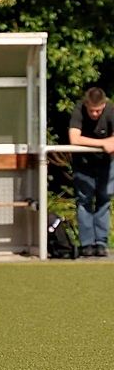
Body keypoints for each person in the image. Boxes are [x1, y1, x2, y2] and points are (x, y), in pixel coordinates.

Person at [68, 87, 114, 256]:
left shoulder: (111, 109)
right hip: (83, 164)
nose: (95, 114)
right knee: (84, 201)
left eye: (98, 111)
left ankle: (101, 242)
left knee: (104, 201)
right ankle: (86, 243)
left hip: (106, 164)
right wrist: (103, 143)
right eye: (92, 110)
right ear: (86, 104)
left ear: (104, 105)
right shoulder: (79, 109)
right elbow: (74, 138)